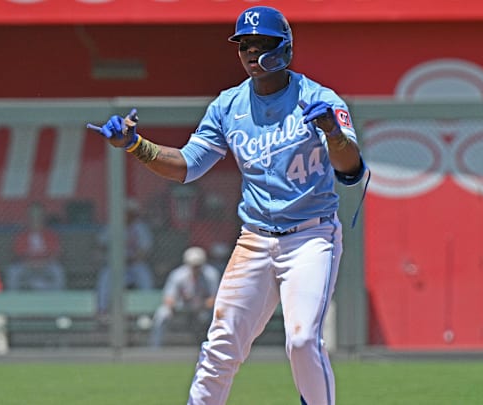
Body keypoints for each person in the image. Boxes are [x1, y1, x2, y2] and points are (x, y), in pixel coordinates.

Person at [87, 6, 368, 404]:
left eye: (262, 44)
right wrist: (136, 145)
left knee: (303, 341)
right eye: (244, 46)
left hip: (310, 236)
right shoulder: (228, 106)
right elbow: (187, 165)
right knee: (220, 347)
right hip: (254, 240)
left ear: (284, 47)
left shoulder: (317, 99)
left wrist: (334, 134)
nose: (252, 53)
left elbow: (351, 170)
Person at [150, 246, 220, 348]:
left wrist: (201, 305)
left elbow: (215, 299)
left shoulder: (211, 274)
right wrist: (174, 305)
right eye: (193, 265)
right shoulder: (178, 275)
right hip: (181, 306)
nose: (196, 268)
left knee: (212, 316)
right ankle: (154, 347)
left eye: (198, 265)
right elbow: (168, 298)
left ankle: (213, 347)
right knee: (162, 314)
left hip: (203, 307)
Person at [95, 199, 155, 315]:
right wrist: (107, 255)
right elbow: (101, 244)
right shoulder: (113, 226)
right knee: (104, 279)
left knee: (145, 279)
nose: (128, 215)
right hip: (115, 265)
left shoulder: (140, 228)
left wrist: (133, 259)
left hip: (134, 264)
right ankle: (102, 311)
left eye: (131, 212)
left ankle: (147, 312)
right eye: (126, 212)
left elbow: (145, 250)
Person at [5, 201, 66, 291]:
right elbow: (18, 254)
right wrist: (30, 263)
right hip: (26, 265)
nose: (35, 218)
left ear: (43, 216)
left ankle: (58, 299)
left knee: (58, 271)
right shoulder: (22, 235)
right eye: (33, 215)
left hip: (47, 264)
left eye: (38, 215)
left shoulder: (50, 235)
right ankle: (13, 299)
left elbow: (56, 253)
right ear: (28, 217)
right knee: (13, 272)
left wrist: (44, 263)